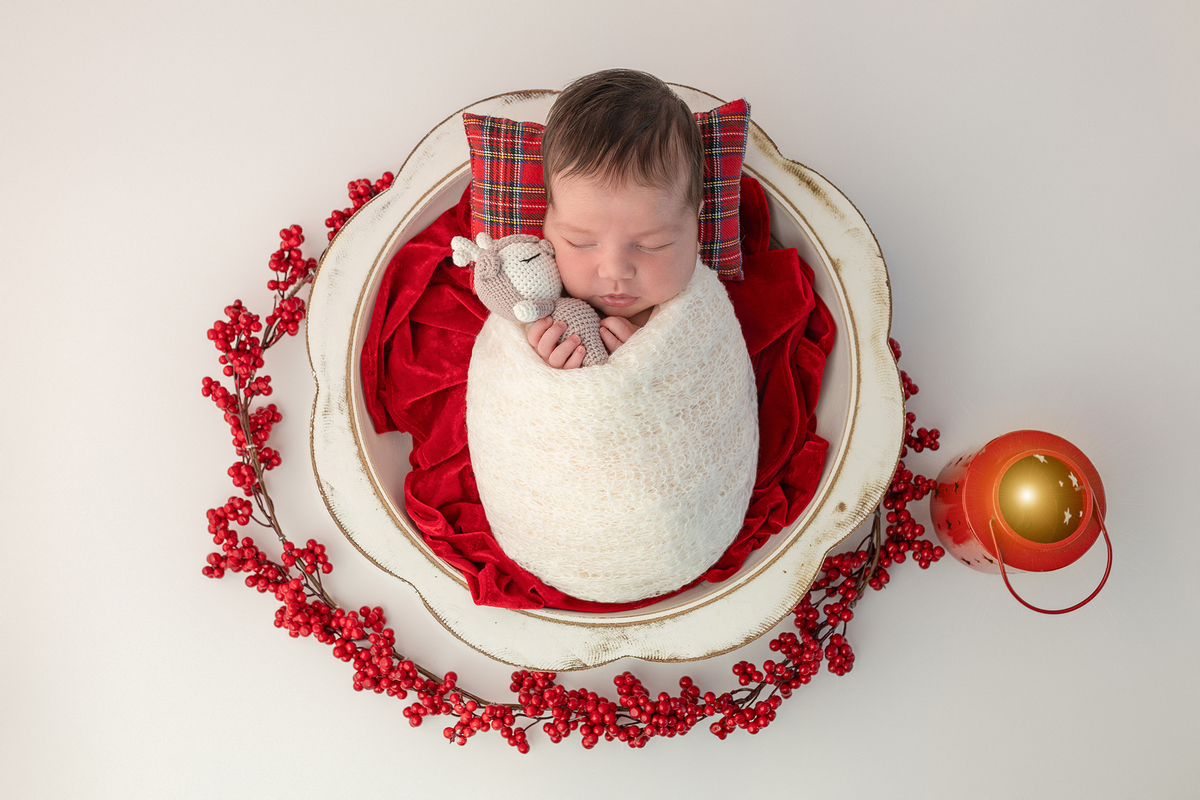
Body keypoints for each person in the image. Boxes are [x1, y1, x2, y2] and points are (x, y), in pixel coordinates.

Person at [526, 69, 705, 370]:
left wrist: (663, 373)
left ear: (696, 225)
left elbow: (717, 393)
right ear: (546, 222)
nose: (615, 271)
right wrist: (548, 372)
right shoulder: (533, 304)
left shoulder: (702, 314)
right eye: (580, 242)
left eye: (653, 244)